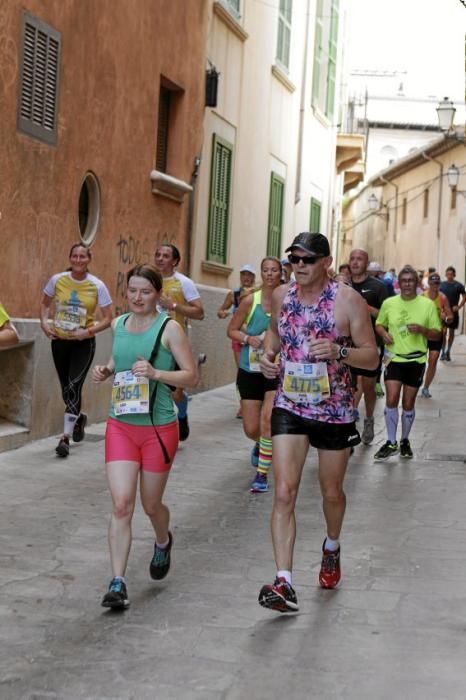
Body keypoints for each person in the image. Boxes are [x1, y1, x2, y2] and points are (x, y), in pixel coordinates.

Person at [258, 233, 378, 612]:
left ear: (326, 262)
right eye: (293, 258)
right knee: (283, 492)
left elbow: (372, 358)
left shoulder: (348, 301)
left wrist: (340, 351)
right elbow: (274, 335)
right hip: (290, 404)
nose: (299, 265)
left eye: (307, 259)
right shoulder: (281, 297)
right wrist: (267, 356)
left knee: (331, 494)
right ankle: (284, 582)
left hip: (335, 409)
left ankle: (331, 545)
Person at [92, 264, 198, 609]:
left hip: (157, 428)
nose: (138, 298)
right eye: (133, 291)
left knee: (151, 505)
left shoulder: (170, 329)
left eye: (146, 292)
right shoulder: (118, 323)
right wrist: (107, 369)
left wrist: (155, 372)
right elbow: (119, 358)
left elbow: (191, 377)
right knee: (122, 504)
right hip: (121, 425)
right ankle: (118, 581)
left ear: (157, 294)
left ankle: (163, 539)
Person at [40, 243, 113, 458]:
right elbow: (44, 304)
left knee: (74, 385)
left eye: (83, 256)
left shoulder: (97, 285)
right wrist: (45, 324)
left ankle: (65, 438)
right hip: (60, 341)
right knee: (66, 389)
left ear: (89, 259)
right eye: (75, 256)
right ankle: (78, 417)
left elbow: (109, 318)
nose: (78, 260)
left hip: (83, 344)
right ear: (70, 258)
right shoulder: (57, 280)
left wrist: (89, 331)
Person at [374, 265, 442, 461]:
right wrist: (384, 333)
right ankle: (390, 441)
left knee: (408, 403)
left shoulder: (427, 305)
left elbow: (437, 332)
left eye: (410, 281)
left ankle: (404, 440)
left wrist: (422, 330)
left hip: (417, 359)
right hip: (393, 358)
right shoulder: (389, 303)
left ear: (417, 283)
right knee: (392, 398)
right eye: (403, 281)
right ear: (399, 283)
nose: (407, 284)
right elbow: (379, 323)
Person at [227, 257, 283, 493]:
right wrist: (248, 338)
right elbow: (231, 330)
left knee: (267, 421)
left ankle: (261, 475)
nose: (269, 274)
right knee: (251, 428)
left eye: (274, 270)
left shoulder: (288, 300)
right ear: (261, 274)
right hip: (250, 369)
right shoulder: (250, 301)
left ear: (281, 273)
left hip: (275, 370)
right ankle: (261, 444)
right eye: (266, 270)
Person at [154, 244, 204, 440]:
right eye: (157, 254)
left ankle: (181, 414)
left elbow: (199, 312)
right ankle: (159, 429)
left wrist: (173, 305)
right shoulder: (149, 280)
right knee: (154, 387)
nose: (160, 258)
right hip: (151, 342)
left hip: (175, 344)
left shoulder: (184, 282)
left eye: (165, 256)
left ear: (174, 261)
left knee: (175, 393)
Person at [349, 250, 388, 444]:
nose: (355, 262)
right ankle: (348, 426)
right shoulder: (342, 285)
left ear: (366, 264)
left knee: (368, 386)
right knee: (351, 386)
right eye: (352, 259)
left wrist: (368, 308)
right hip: (346, 345)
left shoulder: (378, 287)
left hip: (371, 345)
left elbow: (386, 316)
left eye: (359, 259)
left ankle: (369, 419)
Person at [421, 272, 453, 398]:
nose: (435, 286)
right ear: (429, 283)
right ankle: (417, 381)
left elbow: (450, 316)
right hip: (422, 334)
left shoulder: (443, 298)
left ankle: (426, 387)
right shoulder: (422, 297)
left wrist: (445, 318)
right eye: (433, 283)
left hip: (436, 334)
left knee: (433, 360)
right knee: (420, 361)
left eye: (437, 283)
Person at [439, 266, 466, 361]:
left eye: (451, 274)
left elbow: (464, 296)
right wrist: (440, 309)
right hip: (443, 313)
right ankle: (442, 352)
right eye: (448, 274)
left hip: (453, 313)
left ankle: (448, 352)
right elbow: (438, 297)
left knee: (451, 332)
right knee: (443, 332)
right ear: (446, 274)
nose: (449, 275)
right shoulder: (442, 285)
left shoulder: (458, 285)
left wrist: (459, 306)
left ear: (454, 275)